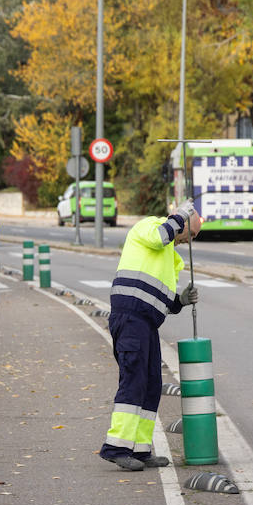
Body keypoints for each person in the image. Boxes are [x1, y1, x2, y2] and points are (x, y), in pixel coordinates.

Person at [100, 201, 202, 472]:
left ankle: (141, 450)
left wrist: (180, 300)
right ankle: (117, 448)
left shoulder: (171, 257)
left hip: (147, 323)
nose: (188, 241)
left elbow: (163, 299)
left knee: (152, 384)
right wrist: (180, 216)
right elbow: (159, 238)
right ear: (180, 223)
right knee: (133, 380)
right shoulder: (150, 226)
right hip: (130, 317)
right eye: (190, 235)